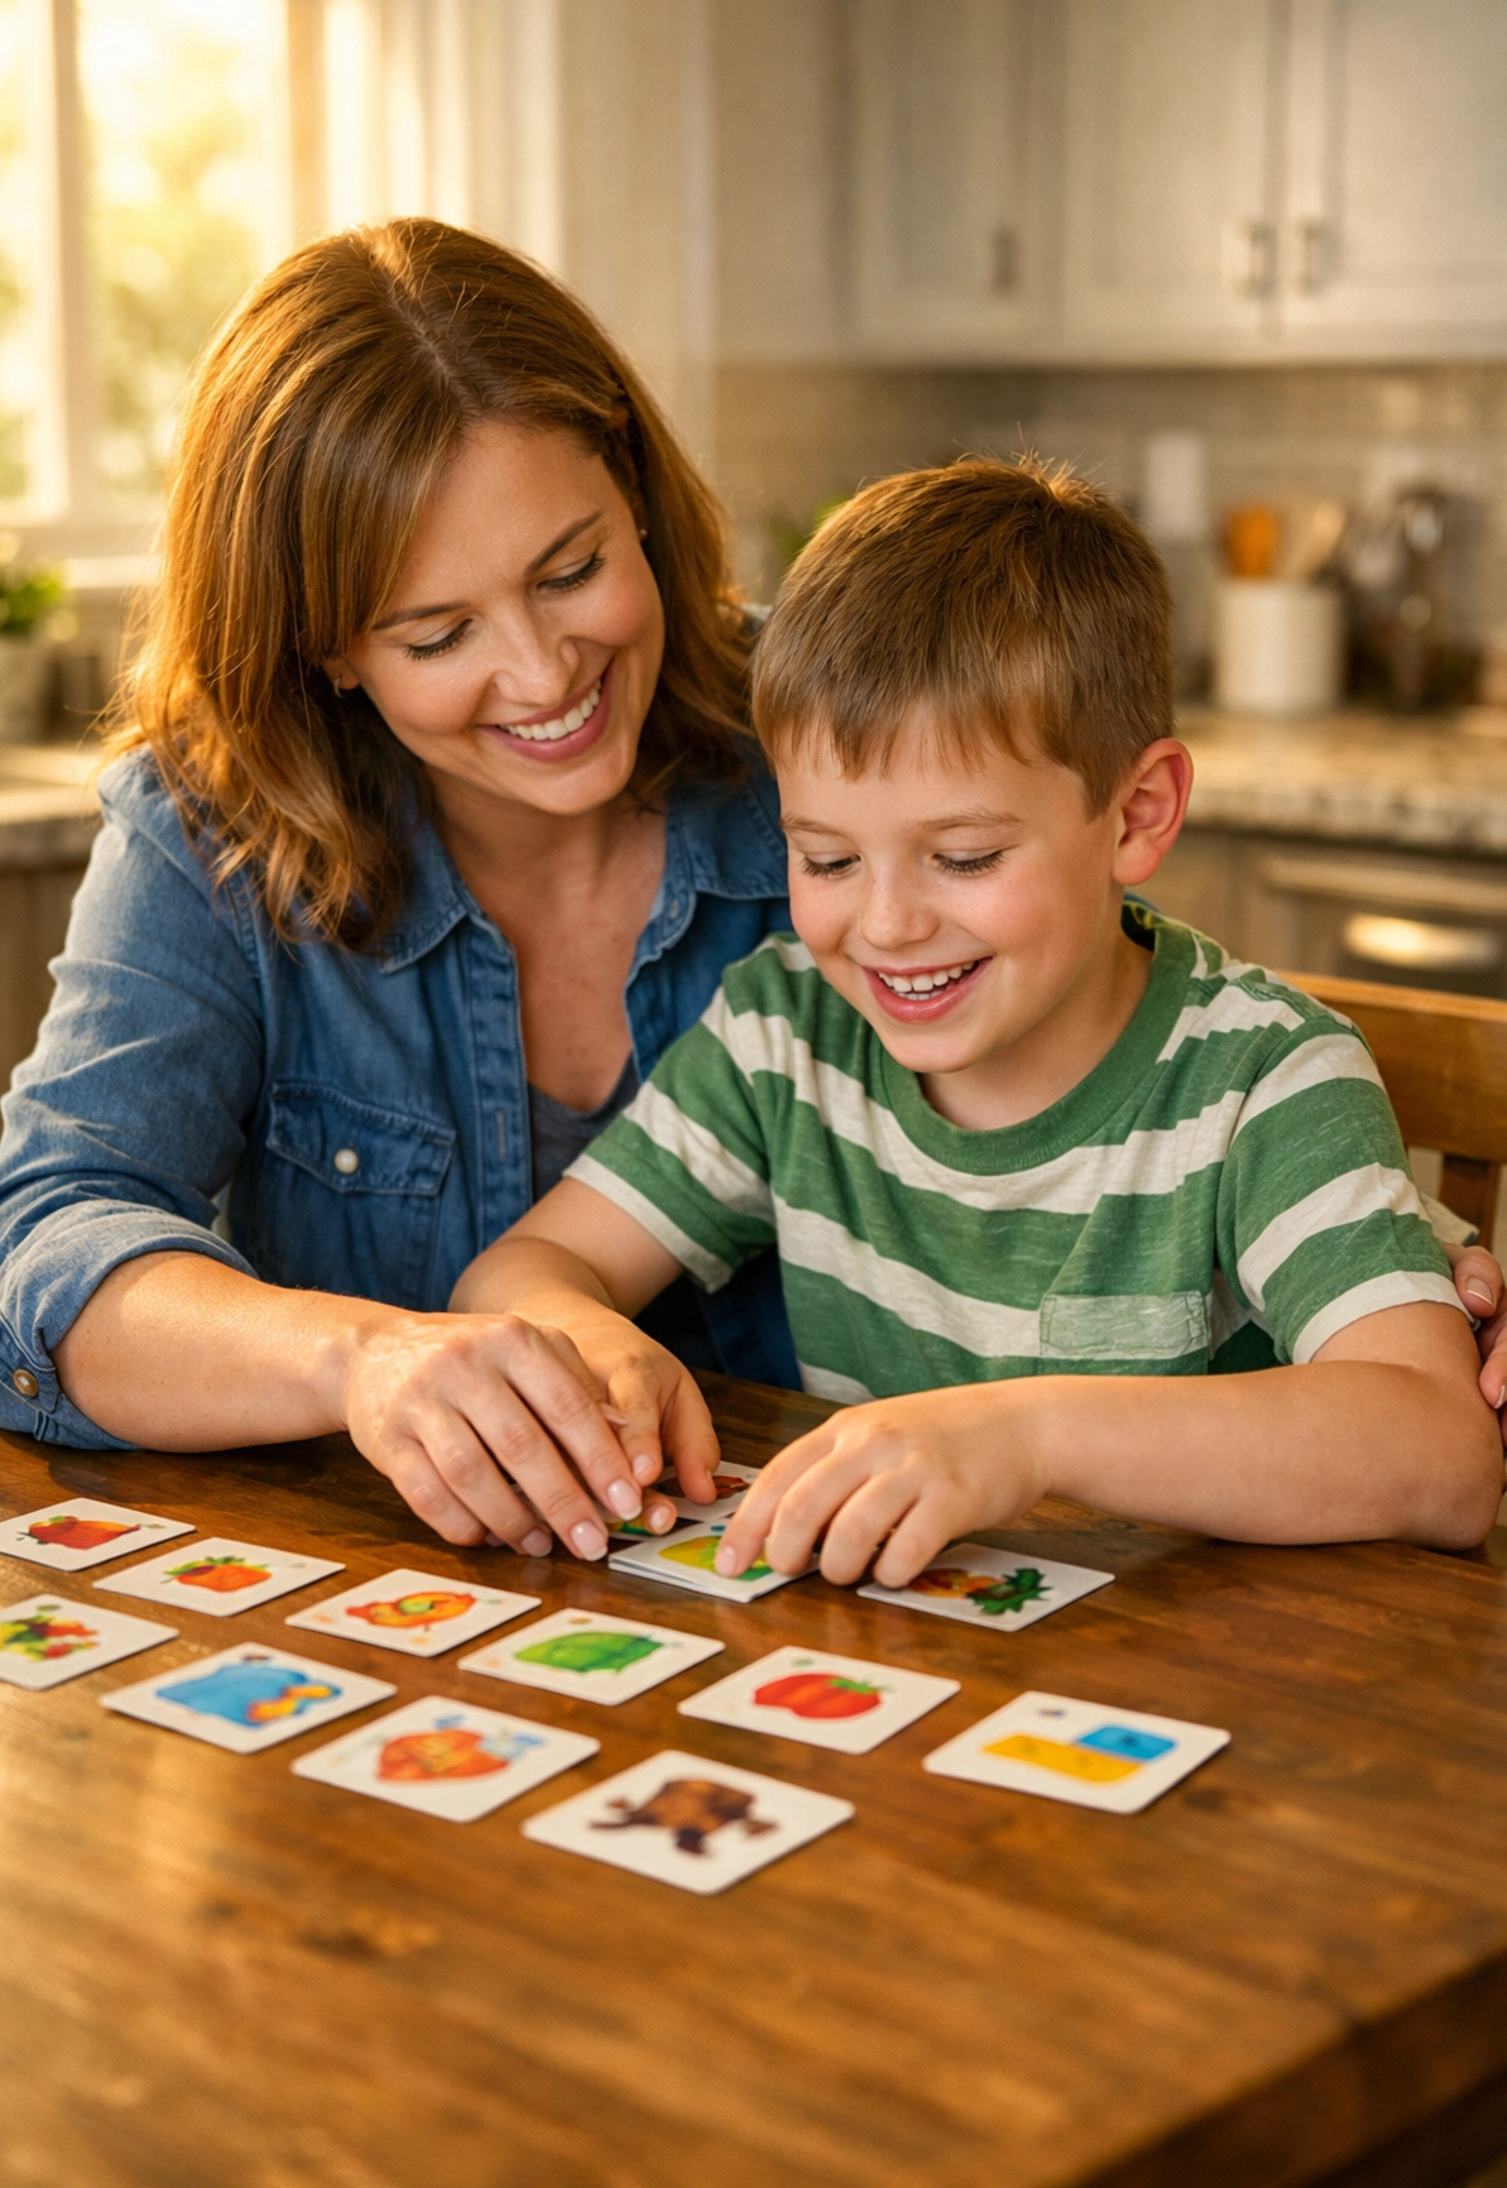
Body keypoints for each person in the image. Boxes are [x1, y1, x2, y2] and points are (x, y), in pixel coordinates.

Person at [461, 458, 1507, 1586]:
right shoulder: (784, 1035)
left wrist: (1027, 1437)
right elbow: (526, 1270)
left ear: (1137, 815)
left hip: (1190, 1694)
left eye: (963, 857)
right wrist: (593, 1333)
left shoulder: (1263, 1080)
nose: (889, 924)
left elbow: (1437, 1453)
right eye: (826, 858)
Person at [0, 219, 797, 1559]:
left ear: (636, 493)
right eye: (439, 634)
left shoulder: (830, 729)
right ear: (330, 650)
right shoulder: (216, 826)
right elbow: (43, 1249)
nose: (542, 678)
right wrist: (360, 1359)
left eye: (573, 568)